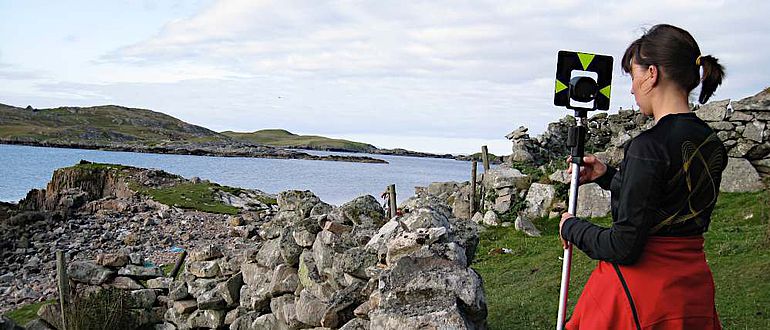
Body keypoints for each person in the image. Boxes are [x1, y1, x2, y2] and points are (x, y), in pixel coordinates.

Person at [559, 24, 727, 329]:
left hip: (640, 297)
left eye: (634, 77)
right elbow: (668, 197)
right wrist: (606, 175)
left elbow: (624, 247)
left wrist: (572, 227)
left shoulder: (648, 146)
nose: (633, 89)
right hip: (691, 289)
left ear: (652, 74)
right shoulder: (712, 142)